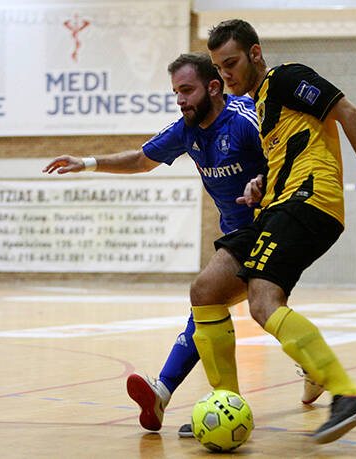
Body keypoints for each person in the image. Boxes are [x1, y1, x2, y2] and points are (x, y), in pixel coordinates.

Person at [201, 19, 356, 444]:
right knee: (205, 290)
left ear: (255, 54)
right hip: (277, 205)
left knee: (262, 300)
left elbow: (352, 113)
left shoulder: (286, 77)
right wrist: (261, 184)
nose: (226, 75)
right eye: (220, 69)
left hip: (310, 200)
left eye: (233, 63)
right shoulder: (260, 107)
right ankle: (227, 404)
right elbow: (294, 148)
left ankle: (350, 394)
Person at [42, 52, 267, 437]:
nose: (179, 99)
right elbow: (142, 160)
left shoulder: (246, 117)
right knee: (224, 308)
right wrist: (87, 163)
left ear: (213, 87)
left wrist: (263, 179)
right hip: (235, 238)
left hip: (271, 230)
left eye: (186, 90)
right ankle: (168, 395)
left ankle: (187, 395)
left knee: (214, 301)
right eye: (175, 92)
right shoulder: (186, 129)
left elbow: (284, 153)